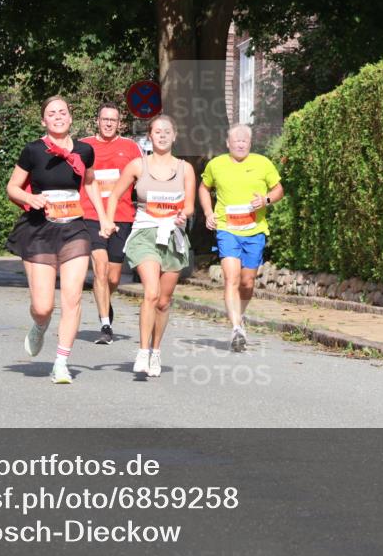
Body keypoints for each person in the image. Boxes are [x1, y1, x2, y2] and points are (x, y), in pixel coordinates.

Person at [5, 96, 110, 385]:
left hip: (73, 229)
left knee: (73, 297)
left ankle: (61, 362)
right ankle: (40, 325)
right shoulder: (33, 151)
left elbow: (89, 183)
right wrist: (30, 197)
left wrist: (103, 218)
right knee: (43, 306)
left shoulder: (85, 150)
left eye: (62, 112)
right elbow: (12, 187)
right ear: (44, 120)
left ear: (70, 117)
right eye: (52, 113)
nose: (58, 117)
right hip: (40, 229)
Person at [104, 114, 195, 377]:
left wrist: (183, 214)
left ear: (174, 136)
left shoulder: (185, 168)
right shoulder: (137, 165)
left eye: (167, 131)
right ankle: (142, 352)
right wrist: (109, 220)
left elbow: (189, 204)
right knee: (151, 293)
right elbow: (115, 195)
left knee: (164, 302)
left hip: (173, 237)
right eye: (157, 131)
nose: (163, 135)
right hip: (145, 233)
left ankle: (156, 351)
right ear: (149, 136)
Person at [199, 123, 284, 352]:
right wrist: (208, 213)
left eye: (244, 140)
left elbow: (279, 190)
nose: (240, 143)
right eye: (235, 140)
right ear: (228, 143)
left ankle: (240, 316)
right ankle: (236, 328)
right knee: (231, 279)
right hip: (227, 230)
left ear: (250, 143)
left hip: (254, 231)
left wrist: (266, 200)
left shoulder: (262, 163)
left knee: (247, 282)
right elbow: (203, 188)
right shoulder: (216, 165)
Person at [80, 102, 140, 344]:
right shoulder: (84, 146)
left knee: (114, 277)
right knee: (101, 269)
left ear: (119, 123)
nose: (108, 123)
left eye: (112, 120)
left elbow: (142, 178)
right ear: (97, 121)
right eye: (104, 119)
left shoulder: (131, 147)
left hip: (122, 216)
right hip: (91, 214)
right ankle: (106, 324)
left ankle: (105, 301)